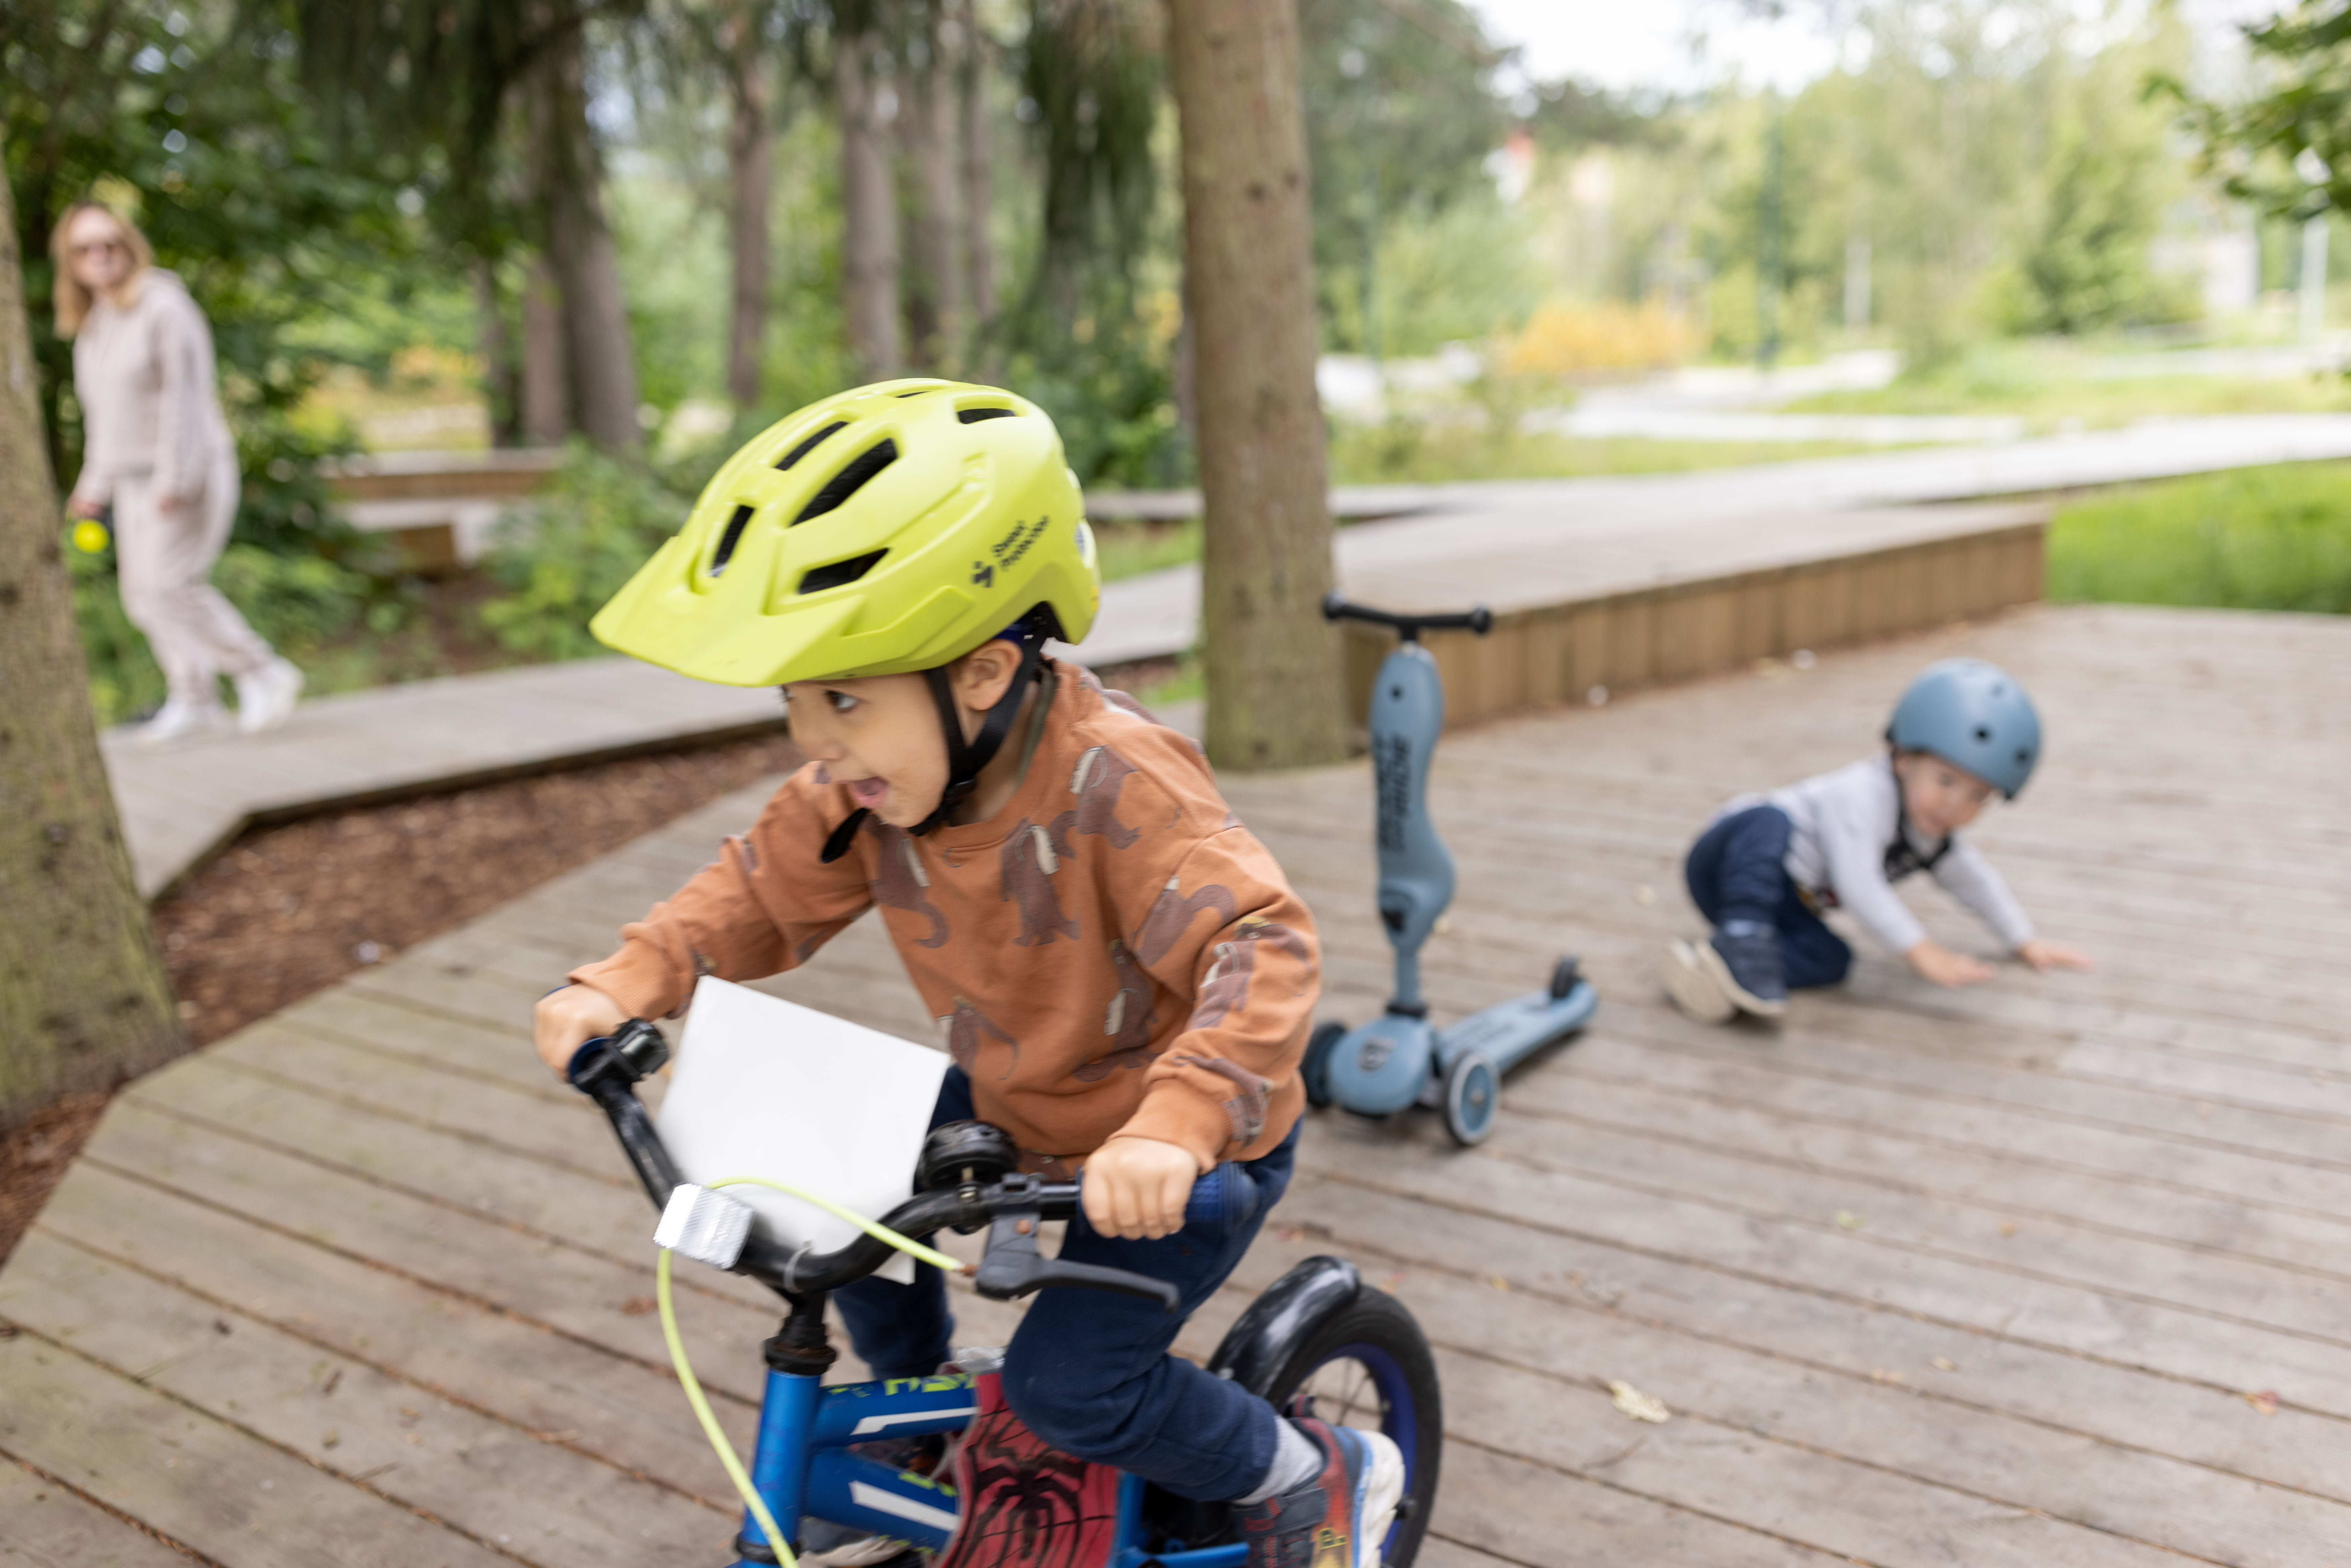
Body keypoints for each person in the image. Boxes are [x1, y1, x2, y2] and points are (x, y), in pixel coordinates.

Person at [530, 382, 1403, 1567]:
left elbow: (1261, 944)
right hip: (1011, 1110)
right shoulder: (872, 788)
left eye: (844, 699)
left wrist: (1176, 1125)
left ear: (982, 674)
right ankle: (917, 1411)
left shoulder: (1118, 787)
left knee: (1069, 1389)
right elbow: (756, 888)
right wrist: (627, 981)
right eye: (796, 702)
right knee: (826, 1195)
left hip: (1179, 1152)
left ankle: (1312, 1468)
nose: (814, 742)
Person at [1659, 657, 2094, 1022]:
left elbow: (1975, 883)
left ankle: (1719, 969)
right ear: (1904, 757)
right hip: (1725, 864)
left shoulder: (1930, 837)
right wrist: (1922, 951)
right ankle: (1742, 935)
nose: (1953, 806)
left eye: (1977, 796)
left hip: (1787, 904)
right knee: (1769, 820)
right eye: (1945, 780)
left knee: (1833, 960)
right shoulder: (1862, 794)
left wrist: (2023, 939)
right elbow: (1858, 884)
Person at [52, 202, 302, 747]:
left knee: (171, 585)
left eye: (109, 244)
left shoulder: (164, 307)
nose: (99, 257)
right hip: (130, 481)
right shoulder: (93, 325)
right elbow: (104, 420)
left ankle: (261, 670)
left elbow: (184, 402)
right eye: (84, 249)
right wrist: (93, 487)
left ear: (128, 247)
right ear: (69, 261)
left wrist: (176, 476)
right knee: (141, 597)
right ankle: (195, 697)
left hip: (188, 471)